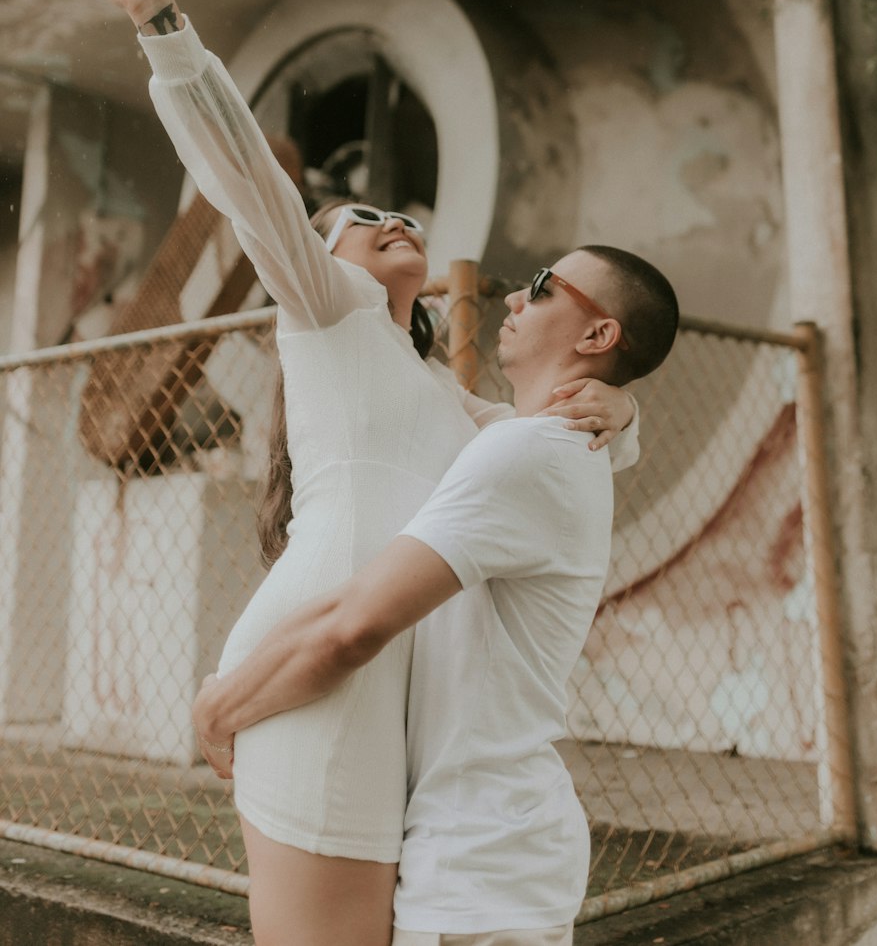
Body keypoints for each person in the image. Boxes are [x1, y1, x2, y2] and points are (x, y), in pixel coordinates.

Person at [65, 0, 640, 946]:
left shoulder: (433, 387)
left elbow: (546, 441)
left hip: (384, 688)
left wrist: (623, 409)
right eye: (353, 218)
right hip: (310, 662)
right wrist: (159, 17)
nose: (391, 219)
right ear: (317, 263)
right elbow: (249, 182)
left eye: (403, 213)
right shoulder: (327, 316)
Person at [193, 244, 679, 946]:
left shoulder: (528, 453)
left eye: (542, 287)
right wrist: (627, 412)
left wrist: (222, 708)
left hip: (480, 868)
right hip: (482, 857)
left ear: (598, 336)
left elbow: (354, 627)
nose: (513, 299)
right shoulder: (545, 445)